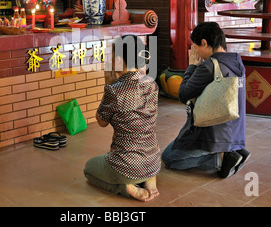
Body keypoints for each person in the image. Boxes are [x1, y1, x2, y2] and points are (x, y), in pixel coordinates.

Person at [161, 22, 250, 179]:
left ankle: (221, 159)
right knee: (175, 148)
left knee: (169, 158)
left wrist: (192, 66)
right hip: (234, 132)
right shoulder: (237, 62)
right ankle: (232, 150)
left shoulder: (208, 66)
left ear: (204, 43)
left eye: (195, 47)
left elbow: (183, 94)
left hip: (212, 134)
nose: (195, 51)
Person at [83, 35, 161, 202]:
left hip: (127, 166)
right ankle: (150, 179)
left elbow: (101, 121)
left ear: (119, 59)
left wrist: (108, 84)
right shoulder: (152, 84)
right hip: (153, 159)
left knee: (89, 169)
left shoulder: (115, 90)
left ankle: (125, 187)